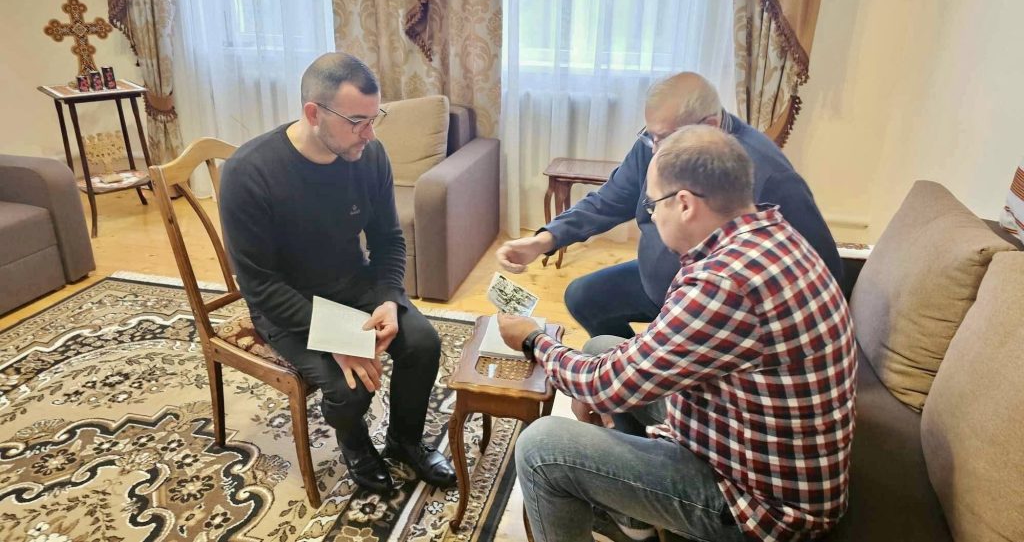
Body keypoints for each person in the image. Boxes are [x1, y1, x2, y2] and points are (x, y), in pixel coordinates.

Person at [498, 125, 857, 542]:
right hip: (753, 448)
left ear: (684, 204)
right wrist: (595, 384)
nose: (650, 216)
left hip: (762, 507)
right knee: (601, 347)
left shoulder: (724, 284)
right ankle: (636, 522)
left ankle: (630, 510)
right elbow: (636, 364)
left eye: (652, 205)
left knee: (541, 449)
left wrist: (534, 340)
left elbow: (603, 386)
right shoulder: (768, 233)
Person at [219, 52, 456, 494]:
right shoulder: (248, 174)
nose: (370, 133)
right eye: (357, 121)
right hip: (287, 303)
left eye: (375, 118)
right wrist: (340, 338)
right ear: (314, 114)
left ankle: (404, 441)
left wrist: (388, 297)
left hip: (352, 282)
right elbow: (260, 286)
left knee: (423, 343)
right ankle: (356, 445)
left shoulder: (370, 155)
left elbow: (389, 240)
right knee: (351, 389)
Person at [497, 72, 842, 341]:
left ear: (709, 125)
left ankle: (641, 380)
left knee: (629, 372)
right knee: (583, 297)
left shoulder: (770, 175)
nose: (654, 147)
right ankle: (633, 383)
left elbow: (821, 268)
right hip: (658, 284)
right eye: (650, 135)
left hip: (715, 310)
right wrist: (544, 239)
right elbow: (611, 198)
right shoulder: (656, 143)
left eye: (663, 137)